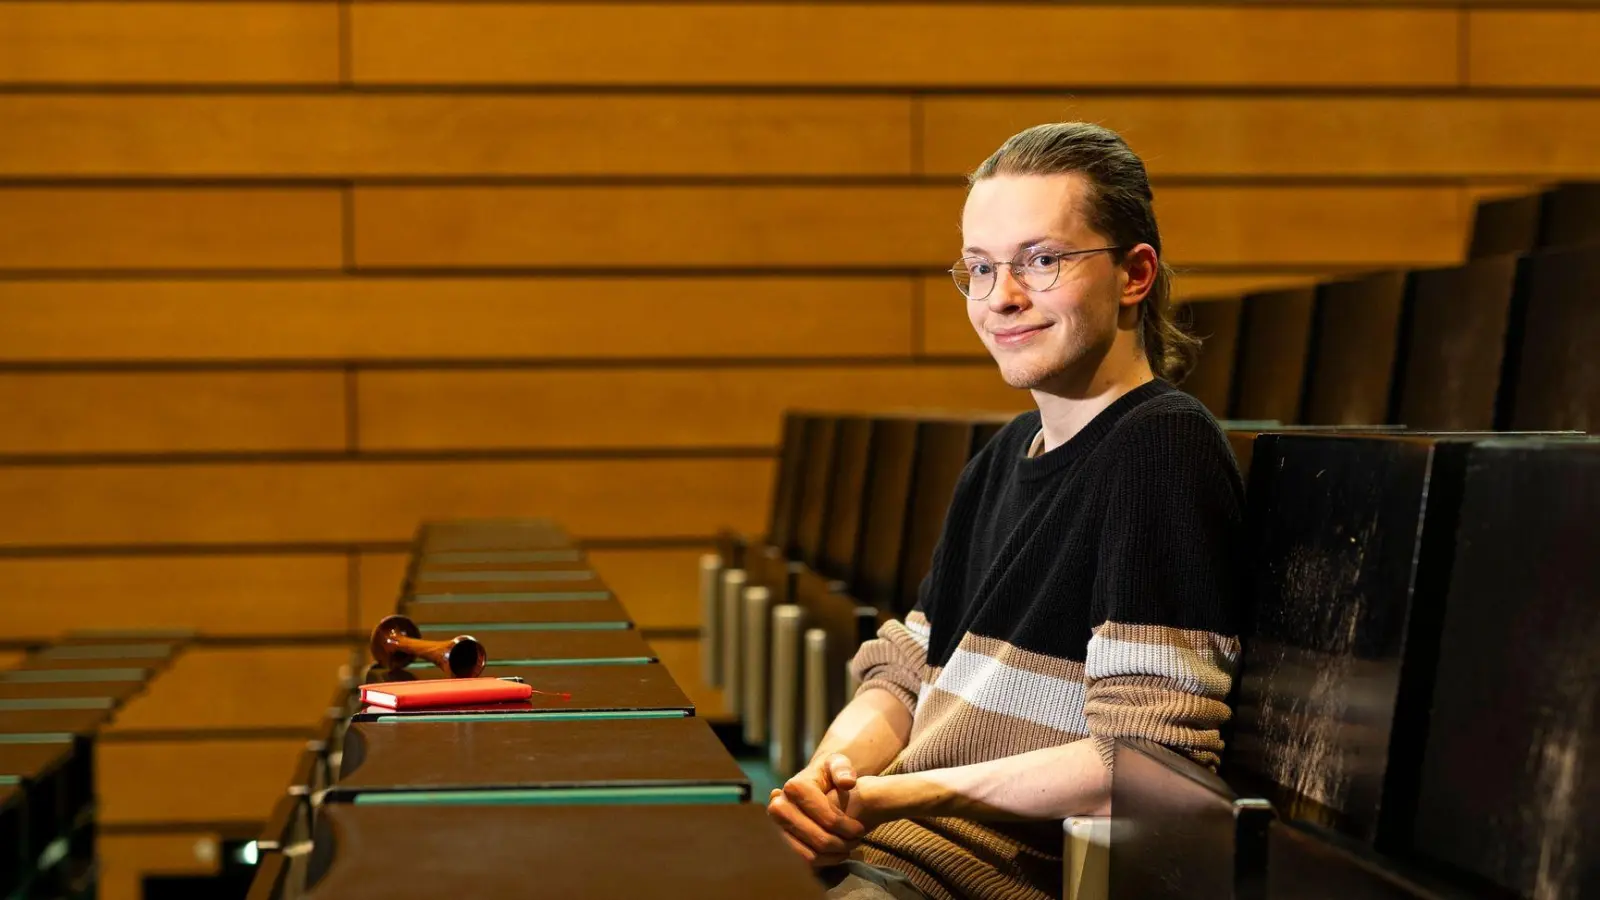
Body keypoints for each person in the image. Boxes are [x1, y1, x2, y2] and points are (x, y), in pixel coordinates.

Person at [765, 122, 1247, 900]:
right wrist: (833, 776)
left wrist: (899, 794)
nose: (1003, 298)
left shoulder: (1162, 449)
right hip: (880, 856)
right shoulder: (1002, 456)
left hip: (964, 882)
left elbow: (1148, 757)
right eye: (980, 269)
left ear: (1135, 274)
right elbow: (905, 673)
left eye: (1042, 261)